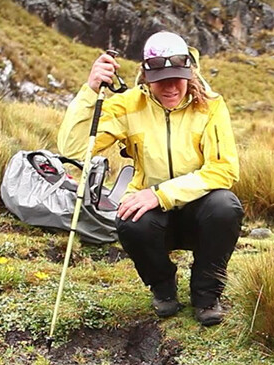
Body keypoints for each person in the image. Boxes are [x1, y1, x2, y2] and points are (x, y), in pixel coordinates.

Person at [58, 31, 243, 326]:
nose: (170, 87)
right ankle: (163, 288)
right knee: (130, 219)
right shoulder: (129, 105)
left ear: (189, 72)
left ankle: (206, 294)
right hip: (154, 217)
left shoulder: (211, 106)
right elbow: (75, 147)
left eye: (178, 77)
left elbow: (223, 169)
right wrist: (90, 91)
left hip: (199, 210)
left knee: (225, 206)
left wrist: (160, 194)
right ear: (146, 75)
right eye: (160, 78)